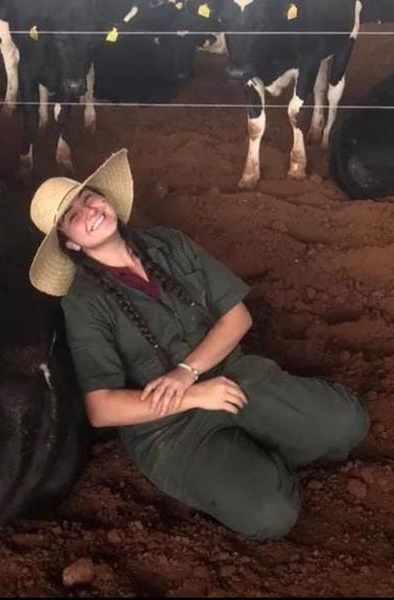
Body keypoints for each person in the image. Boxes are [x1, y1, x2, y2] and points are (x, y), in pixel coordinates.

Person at [28, 148, 368, 540]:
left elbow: (238, 317)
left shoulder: (169, 244)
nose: (89, 210)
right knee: (272, 515)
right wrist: (190, 396)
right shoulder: (84, 302)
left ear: (106, 200)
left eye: (89, 197)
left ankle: (261, 450)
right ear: (69, 243)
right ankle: (257, 461)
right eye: (73, 215)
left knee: (348, 423)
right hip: (168, 429)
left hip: (233, 375)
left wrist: (186, 373)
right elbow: (101, 409)